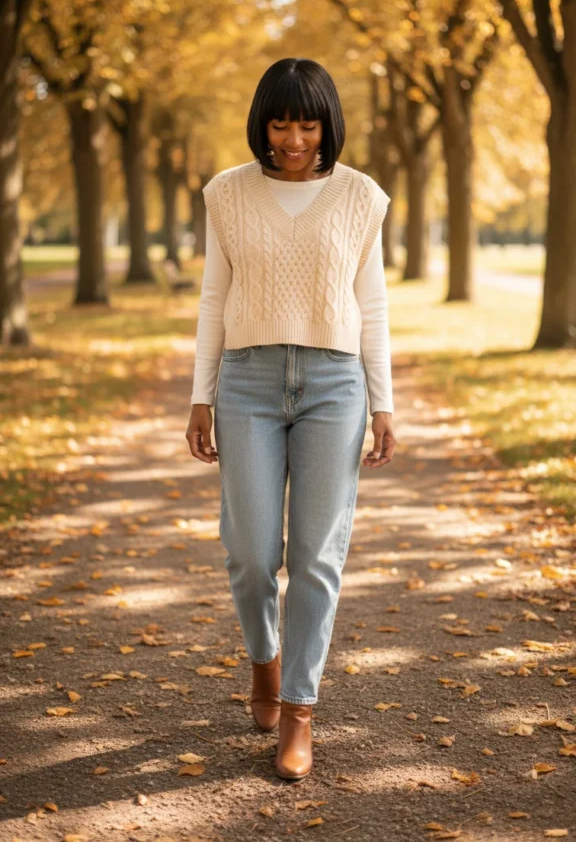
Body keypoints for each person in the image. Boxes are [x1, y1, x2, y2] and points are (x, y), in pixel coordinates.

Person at [186, 57, 396, 781]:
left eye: (307, 123)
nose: (293, 138)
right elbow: (215, 297)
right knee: (249, 553)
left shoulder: (362, 197)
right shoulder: (227, 194)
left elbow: (372, 307)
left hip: (334, 386)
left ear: (327, 123)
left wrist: (384, 402)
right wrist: (200, 394)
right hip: (246, 380)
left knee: (316, 556)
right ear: (262, 123)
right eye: (280, 122)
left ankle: (300, 713)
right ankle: (264, 661)